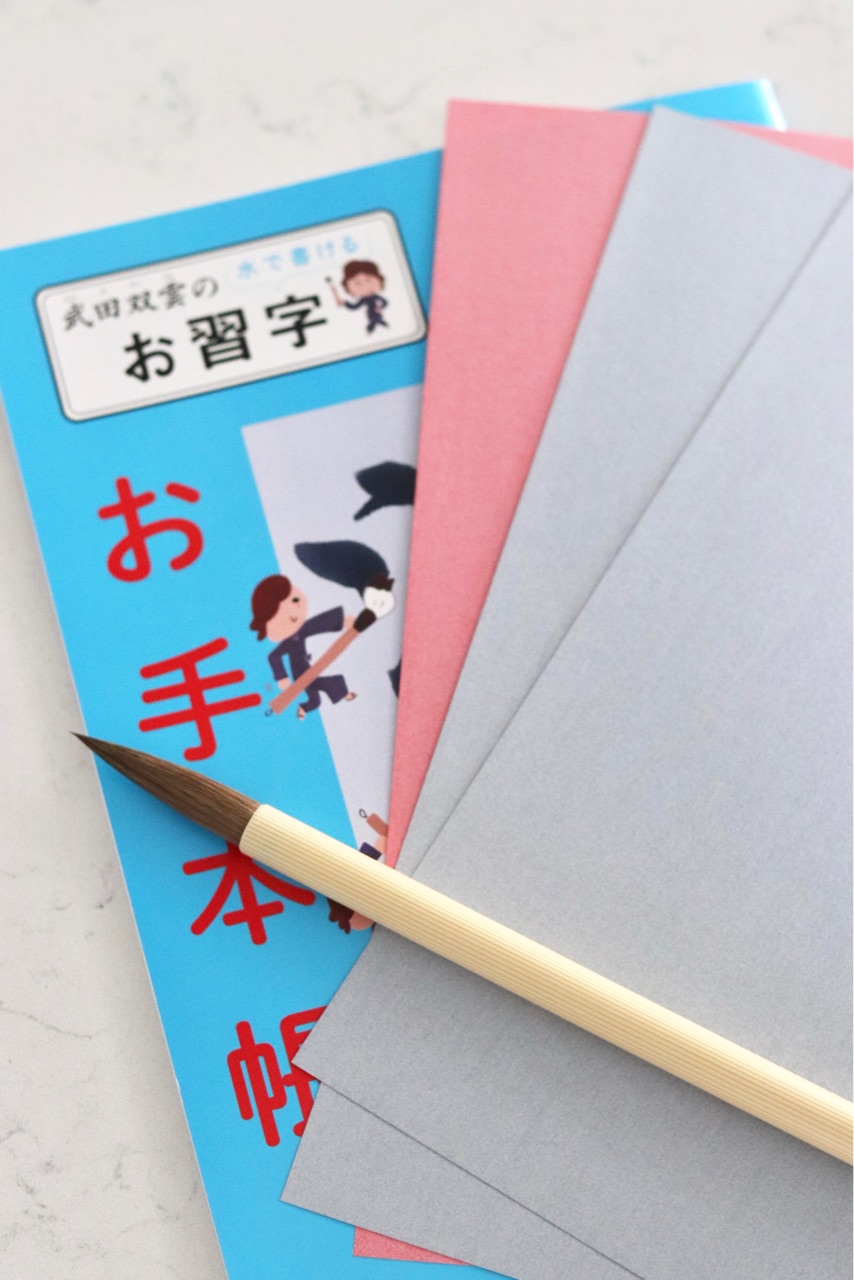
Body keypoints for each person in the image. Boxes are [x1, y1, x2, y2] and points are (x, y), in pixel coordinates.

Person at [250, 574, 356, 719]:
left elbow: (315, 625)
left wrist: (341, 622)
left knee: (316, 701)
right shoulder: (291, 639)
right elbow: (273, 656)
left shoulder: (299, 632)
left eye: (295, 600)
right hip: (301, 674)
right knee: (325, 684)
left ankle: (303, 708)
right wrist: (282, 677)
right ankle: (343, 693)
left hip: (305, 671)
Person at [328, 259, 389, 334]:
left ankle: (378, 328)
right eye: (357, 283)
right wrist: (345, 303)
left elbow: (385, 302)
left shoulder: (376, 297)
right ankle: (371, 330)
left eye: (368, 280)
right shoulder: (364, 299)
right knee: (373, 323)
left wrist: (381, 306)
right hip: (371, 315)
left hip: (378, 314)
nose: (364, 286)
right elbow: (354, 306)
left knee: (378, 321)